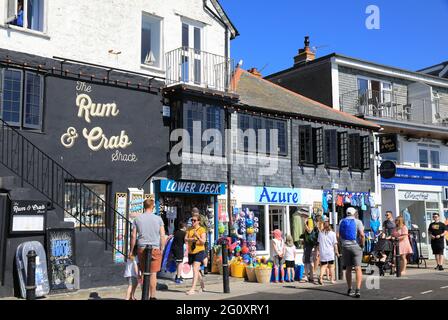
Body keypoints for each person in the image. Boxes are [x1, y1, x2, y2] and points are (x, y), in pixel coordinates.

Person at [129, 197, 166, 300]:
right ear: (153, 207)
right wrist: (162, 249)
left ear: (144, 207)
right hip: (155, 248)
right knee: (153, 273)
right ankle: (152, 296)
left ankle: (144, 294)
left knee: (144, 271)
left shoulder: (137, 219)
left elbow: (133, 236)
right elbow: (162, 236)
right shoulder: (158, 219)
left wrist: (131, 251)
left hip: (142, 247)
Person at [338, 207, 365, 298]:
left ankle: (350, 289)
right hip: (355, 246)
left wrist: (341, 244)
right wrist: (362, 244)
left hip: (345, 246)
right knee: (358, 268)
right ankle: (357, 289)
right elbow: (361, 235)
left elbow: (338, 235)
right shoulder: (358, 222)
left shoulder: (342, 221)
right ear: (354, 213)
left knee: (348, 268)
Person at [185, 211, 207, 295]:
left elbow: (203, 242)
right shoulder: (189, 228)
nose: (193, 222)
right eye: (192, 220)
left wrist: (197, 236)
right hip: (191, 251)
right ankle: (202, 286)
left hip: (199, 251)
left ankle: (192, 289)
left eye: (194, 220)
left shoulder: (202, 229)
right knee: (196, 270)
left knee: (195, 269)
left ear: (198, 221)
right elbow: (185, 239)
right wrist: (192, 239)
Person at [317, 217, 339, 285]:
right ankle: (332, 279)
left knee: (323, 266)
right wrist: (337, 252)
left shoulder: (320, 233)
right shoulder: (332, 234)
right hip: (330, 252)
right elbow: (335, 244)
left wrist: (318, 252)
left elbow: (318, 243)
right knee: (331, 266)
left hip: (322, 252)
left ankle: (320, 277)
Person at [299, 219, 318, 283]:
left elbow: (309, 230)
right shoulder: (314, 230)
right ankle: (311, 276)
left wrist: (304, 223)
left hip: (308, 249)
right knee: (310, 263)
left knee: (307, 263)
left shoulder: (310, 230)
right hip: (311, 248)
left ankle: (307, 276)